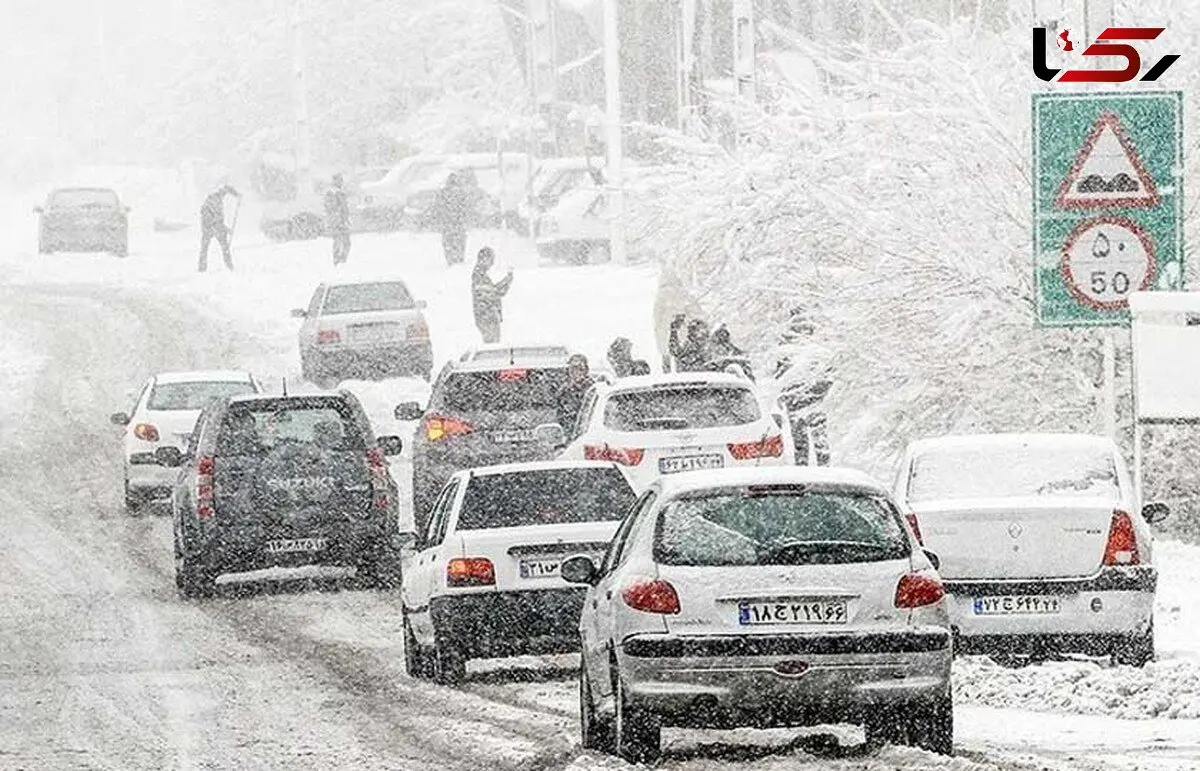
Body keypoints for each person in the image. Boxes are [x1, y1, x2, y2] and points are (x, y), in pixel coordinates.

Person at [772, 310, 832, 465]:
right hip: (814, 399)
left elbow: (780, 375)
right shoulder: (819, 350)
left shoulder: (787, 349)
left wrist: (783, 395)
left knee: (801, 439)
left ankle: (804, 465)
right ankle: (822, 464)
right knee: (818, 436)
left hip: (798, 400)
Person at [471, 246, 513, 343]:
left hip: (488, 317)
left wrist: (507, 280)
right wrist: (508, 280)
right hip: (487, 317)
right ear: (484, 259)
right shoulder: (478, 276)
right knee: (492, 346)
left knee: (493, 344)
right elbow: (495, 293)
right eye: (491, 260)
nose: (493, 263)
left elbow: (495, 292)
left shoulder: (480, 275)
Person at [430, 170, 471, 265]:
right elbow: (466, 208)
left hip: (447, 224)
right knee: (459, 242)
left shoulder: (443, 193)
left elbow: (437, 208)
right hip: (459, 224)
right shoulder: (461, 192)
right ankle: (459, 259)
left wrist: (438, 219)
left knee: (448, 242)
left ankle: (451, 260)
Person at [198, 182, 240, 272]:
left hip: (214, 227)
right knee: (216, 248)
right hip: (210, 228)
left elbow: (226, 189)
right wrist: (224, 229)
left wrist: (236, 194)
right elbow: (214, 221)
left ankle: (228, 266)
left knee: (220, 248)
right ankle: (203, 268)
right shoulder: (209, 206)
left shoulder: (215, 198)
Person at [555, 354, 594, 431]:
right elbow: (560, 416)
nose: (576, 373)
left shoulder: (593, 389)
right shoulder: (563, 392)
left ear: (586, 370)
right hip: (570, 432)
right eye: (573, 369)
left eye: (580, 369)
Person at [324, 173, 352, 265]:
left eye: (341, 180)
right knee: (338, 240)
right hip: (336, 221)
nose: (341, 182)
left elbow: (345, 207)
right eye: (339, 180)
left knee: (346, 242)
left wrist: (346, 218)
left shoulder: (341, 192)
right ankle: (337, 260)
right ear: (334, 181)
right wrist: (337, 213)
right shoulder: (331, 192)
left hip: (342, 221)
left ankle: (342, 260)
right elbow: (329, 207)